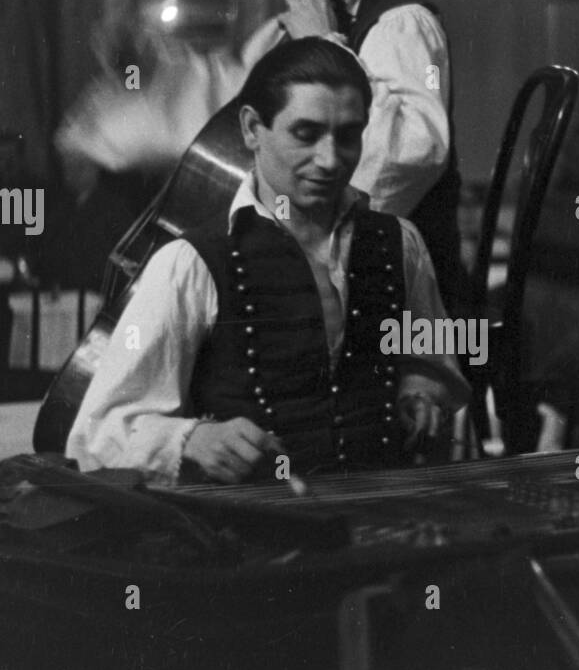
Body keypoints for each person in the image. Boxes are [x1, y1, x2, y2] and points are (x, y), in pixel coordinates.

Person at [66, 39, 470, 485]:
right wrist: (188, 439)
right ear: (252, 128)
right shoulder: (188, 263)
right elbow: (96, 431)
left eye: (348, 134)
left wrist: (423, 386)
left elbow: (433, 362)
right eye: (306, 134)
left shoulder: (402, 243)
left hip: (379, 517)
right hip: (248, 533)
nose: (330, 159)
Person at [242, 0, 466, 311]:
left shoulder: (401, 23)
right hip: (302, 295)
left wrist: (325, 47)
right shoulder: (273, 37)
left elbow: (400, 165)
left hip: (392, 312)